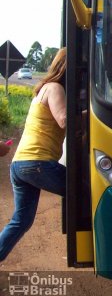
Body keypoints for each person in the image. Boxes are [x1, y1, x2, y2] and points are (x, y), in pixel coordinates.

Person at [0, 48, 67, 262]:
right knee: (86, 191)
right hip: (37, 163)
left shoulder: (43, 89)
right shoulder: (55, 88)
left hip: (20, 165)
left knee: (22, 220)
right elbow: (64, 120)